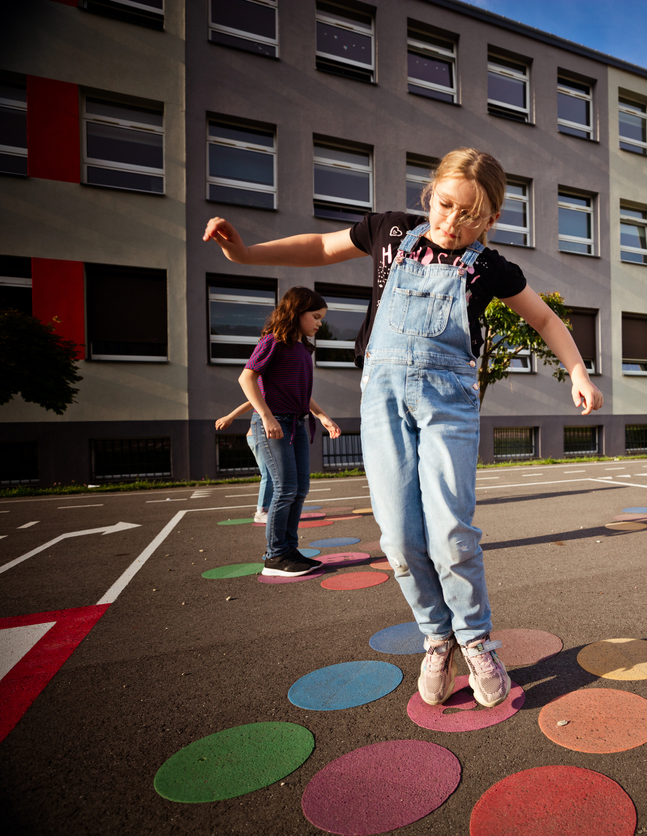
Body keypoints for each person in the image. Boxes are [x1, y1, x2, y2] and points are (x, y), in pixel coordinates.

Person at [203, 147, 603, 709]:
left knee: (450, 533)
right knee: (397, 536)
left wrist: (578, 371)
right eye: (445, 206)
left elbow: (543, 317)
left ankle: (476, 639)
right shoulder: (389, 231)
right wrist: (244, 254)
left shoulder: (488, 266)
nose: (453, 223)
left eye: (472, 216)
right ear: (430, 194)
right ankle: (436, 636)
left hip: (450, 404)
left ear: (491, 219)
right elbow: (318, 247)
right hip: (384, 397)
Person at [236, 287, 342, 577]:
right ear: (297, 313)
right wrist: (266, 416)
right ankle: (275, 556)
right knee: (284, 489)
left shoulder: (302, 347)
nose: (320, 323)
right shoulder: (274, 341)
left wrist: (322, 416)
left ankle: (289, 550)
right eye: (316, 316)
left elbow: (300, 392)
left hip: (296, 422)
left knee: (299, 489)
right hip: (275, 423)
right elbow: (246, 378)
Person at [215, 401, 271, 524]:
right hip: (257, 436)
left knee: (275, 473)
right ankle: (261, 512)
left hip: (267, 436)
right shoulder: (269, 388)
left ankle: (271, 509)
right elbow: (251, 402)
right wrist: (230, 417)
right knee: (268, 473)